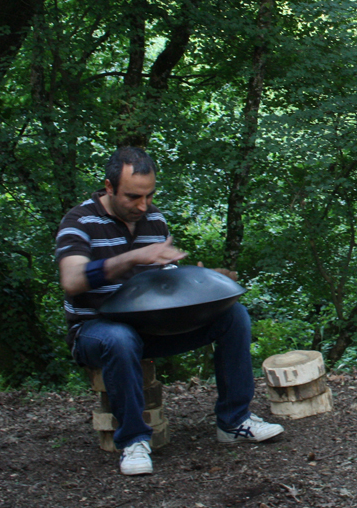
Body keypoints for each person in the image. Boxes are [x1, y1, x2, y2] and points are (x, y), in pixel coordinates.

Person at [55, 147, 284, 476]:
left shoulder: (153, 220)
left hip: (150, 328)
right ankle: (133, 440)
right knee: (119, 338)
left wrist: (204, 281)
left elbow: (165, 285)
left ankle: (234, 421)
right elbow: (72, 279)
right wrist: (132, 258)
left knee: (233, 315)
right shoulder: (80, 221)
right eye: (133, 197)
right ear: (109, 187)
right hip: (96, 330)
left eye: (149, 195)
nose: (143, 206)